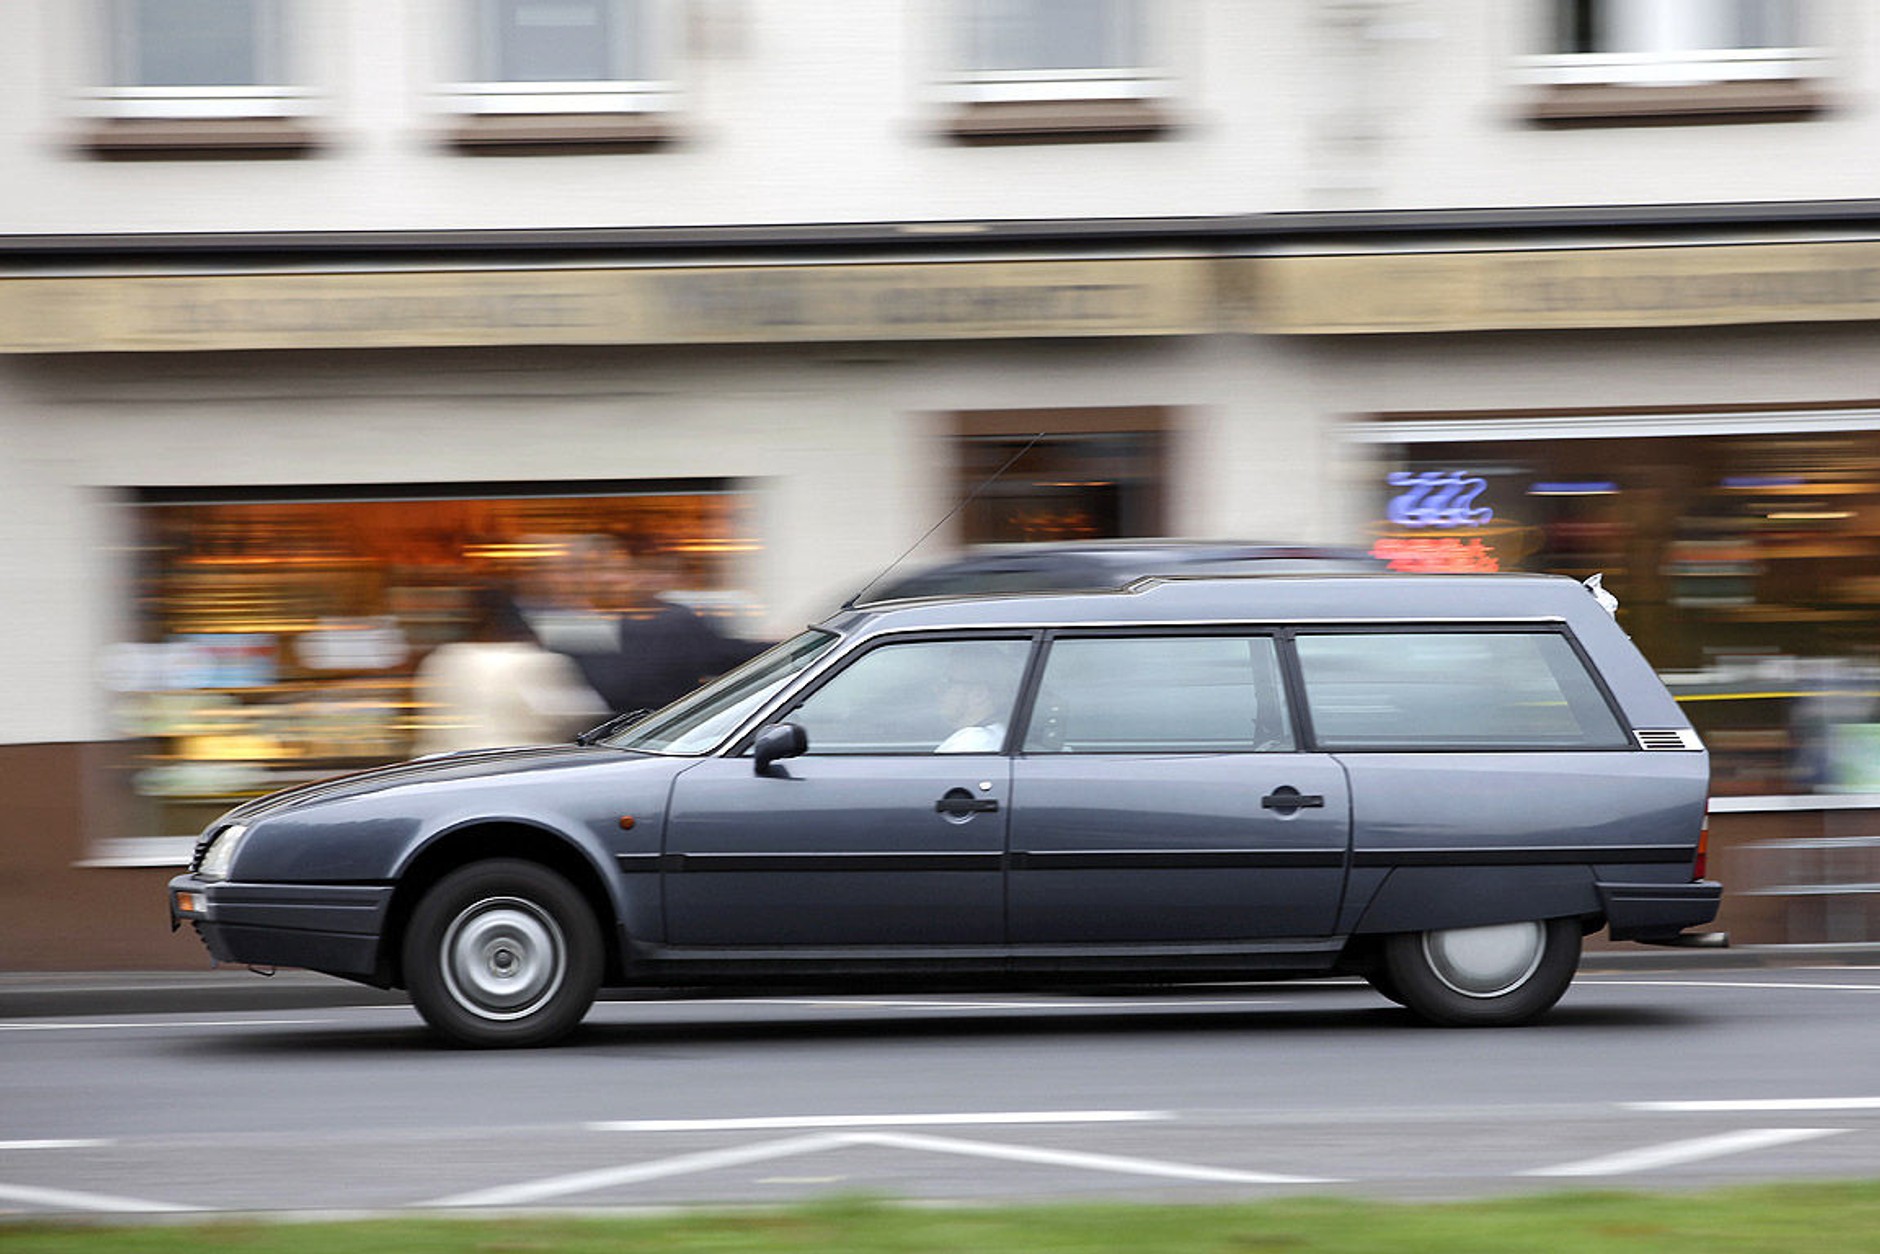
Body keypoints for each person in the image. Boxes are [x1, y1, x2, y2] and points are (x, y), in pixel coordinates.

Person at [569, 543, 768, 717]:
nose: (611, 578)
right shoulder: (576, 627)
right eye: (600, 569)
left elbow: (719, 654)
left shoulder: (674, 618)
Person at [412, 583, 606, 755]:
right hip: (513, 765)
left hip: (445, 766)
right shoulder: (533, 661)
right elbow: (577, 714)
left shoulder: (444, 659)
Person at [935, 668, 1008, 753]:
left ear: (979, 694)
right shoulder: (996, 734)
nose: (936, 690)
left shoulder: (975, 741)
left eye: (947, 683)